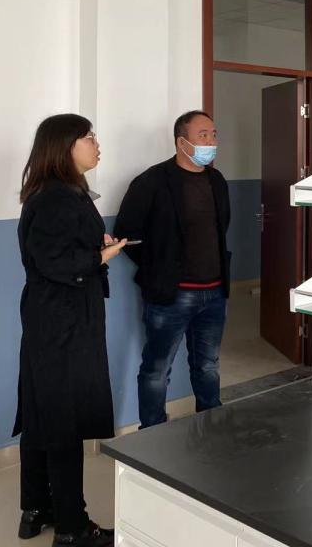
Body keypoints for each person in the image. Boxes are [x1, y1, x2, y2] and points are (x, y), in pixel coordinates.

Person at [15, 114, 125, 546]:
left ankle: (36, 509)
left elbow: (58, 249)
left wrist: (97, 246)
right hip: (62, 320)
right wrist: (100, 257)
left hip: (53, 316)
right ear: (65, 146)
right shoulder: (57, 197)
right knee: (62, 419)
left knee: (42, 411)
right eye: (88, 137)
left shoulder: (59, 192)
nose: (97, 144)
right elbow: (54, 262)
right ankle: (72, 528)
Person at [115, 111, 232, 429]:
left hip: (215, 293)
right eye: (203, 135)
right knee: (157, 369)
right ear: (182, 142)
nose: (211, 141)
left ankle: (211, 425)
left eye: (214, 134)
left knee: (208, 366)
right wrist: (161, 269)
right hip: (171, 295)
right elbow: (128, 236)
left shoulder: (216, 181)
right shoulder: (152, 182)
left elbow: (222, 227)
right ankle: (151, 433)